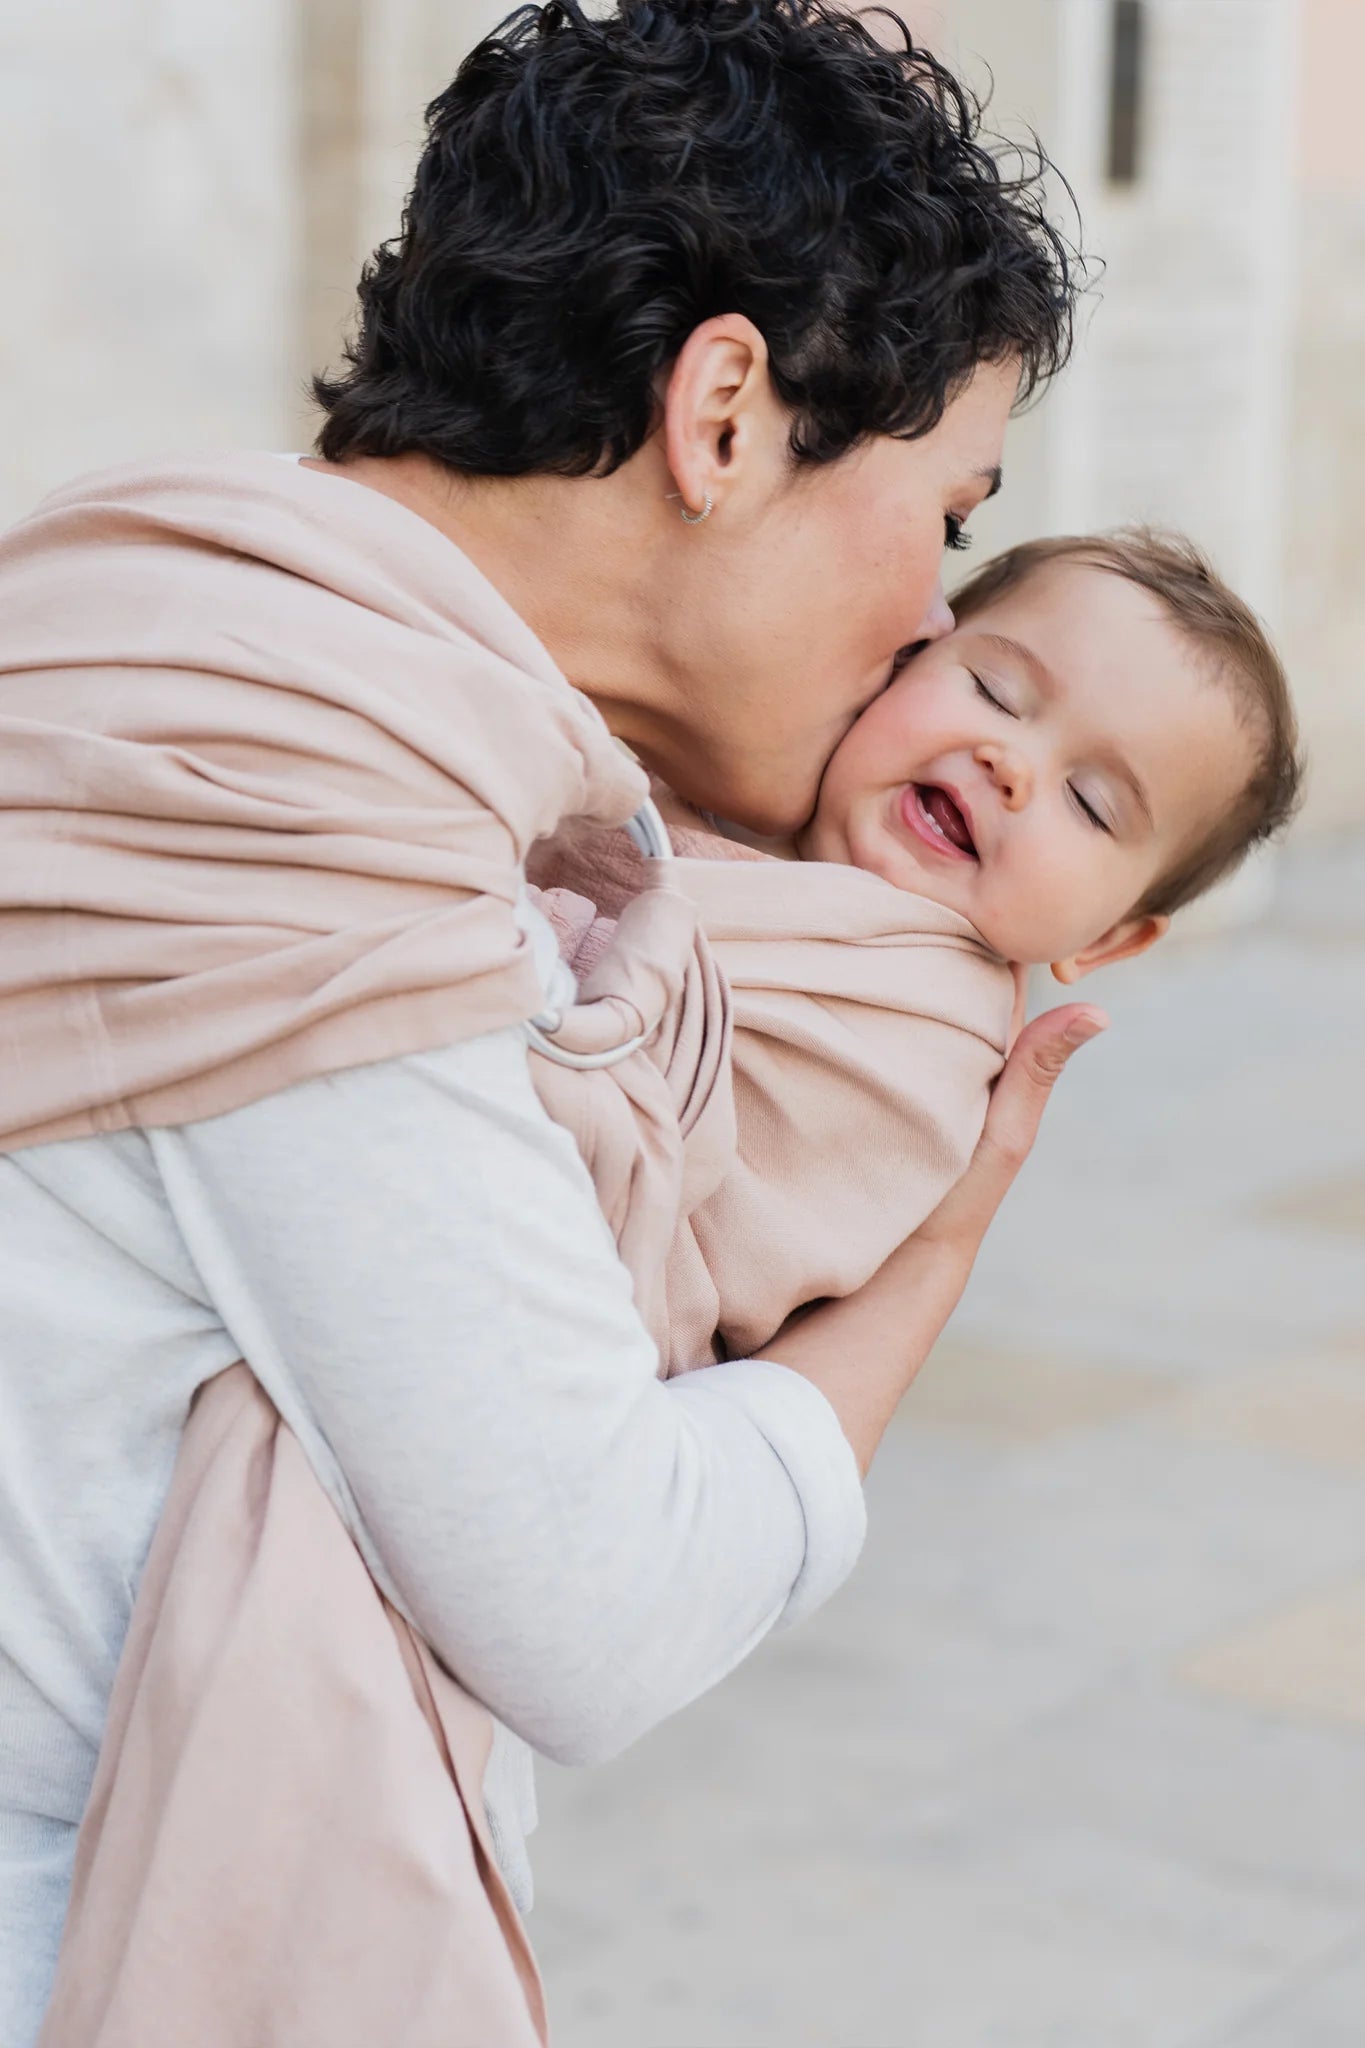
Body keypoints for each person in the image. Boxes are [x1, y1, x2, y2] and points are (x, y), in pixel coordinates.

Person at [0, 2, 1095, 2036]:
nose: (933, 624)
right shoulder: (323, 816)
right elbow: (585, 1608)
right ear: (725, 412)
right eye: (942, 515)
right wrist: (921, 1272)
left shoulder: (147, 619)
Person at [529, 527, 1302, 1369]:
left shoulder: (920, 1037)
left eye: (1088, 801)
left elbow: (657, 1148)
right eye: (995, 692)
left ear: (1108, 936)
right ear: (900, 661)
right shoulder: (717, 774)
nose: (1007, 762)